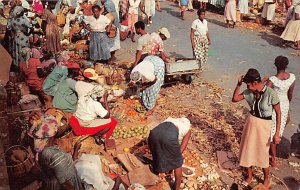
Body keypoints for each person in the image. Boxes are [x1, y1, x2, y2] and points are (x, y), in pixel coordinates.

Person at [232, 68, 281, 188]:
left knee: (263, 153)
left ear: (255, 83)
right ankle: (249, 176)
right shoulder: (249, 92)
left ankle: (266, 179)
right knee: (247, 150)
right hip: (251, 123)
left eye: (248, 84)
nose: (247, 86)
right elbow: (235, 99)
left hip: (264, 126)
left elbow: (279, 113)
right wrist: (238, 85)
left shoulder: (270, 93)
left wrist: (277, 133)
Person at [28, 112, 84, 190]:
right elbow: (68, 186)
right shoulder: (56, 156)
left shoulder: (39, 149)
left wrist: (76, 150)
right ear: (54, 133)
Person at [266, 56, 295, 167]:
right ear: (286, 65)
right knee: (280, 126)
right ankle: (273, 151)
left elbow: (266, 93)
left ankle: (273, 158)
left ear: (275, 65)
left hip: (275, 105)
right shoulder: (291, 77)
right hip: (285, 104)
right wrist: (287, 103)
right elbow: (290, 93)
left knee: (274, 130)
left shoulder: (273, 80)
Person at [148, 117, 192, 190]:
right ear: (188, 125)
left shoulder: (170, 119)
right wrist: (176, 159)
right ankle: (177, 188)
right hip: (168, 136)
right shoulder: (187, 130)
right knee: (178, 163)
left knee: (157, 153)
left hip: (153, 133)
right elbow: (182, 147)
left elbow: (162, 138)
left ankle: (155, 175)